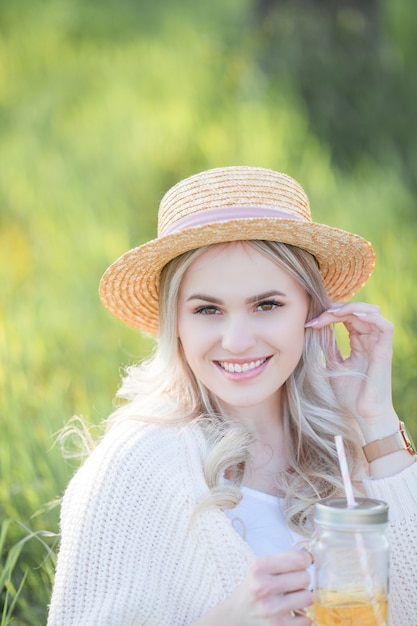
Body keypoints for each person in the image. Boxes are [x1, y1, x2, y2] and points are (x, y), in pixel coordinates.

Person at [47, 166, 417, 626]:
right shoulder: (134, 468)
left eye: (267, 305)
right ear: (175, 324)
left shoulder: (345, 445)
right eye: (207, 309)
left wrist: (376, 417)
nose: (237, 340)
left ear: (312, 310)